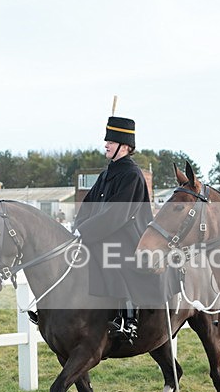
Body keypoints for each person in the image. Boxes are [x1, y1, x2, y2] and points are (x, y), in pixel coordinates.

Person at [72, 115, 168, 345]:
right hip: (102, 233)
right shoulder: (107, 173)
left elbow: (117, 214)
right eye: (107, 141)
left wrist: (86, 231)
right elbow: (89, 204)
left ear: (124, 147)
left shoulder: (132, 175)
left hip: (129, 236)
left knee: (112, 259)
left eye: (111, 142)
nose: (106, 145)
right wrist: (78, 226)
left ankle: (128, 318)